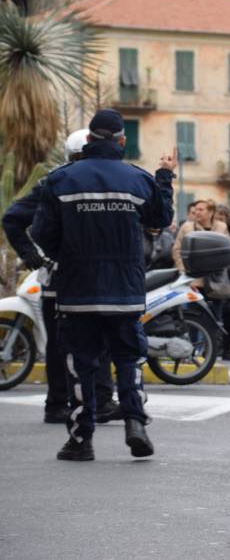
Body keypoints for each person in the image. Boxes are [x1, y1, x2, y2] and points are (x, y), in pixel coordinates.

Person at [30, 109, 175, 461]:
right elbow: (162, 218)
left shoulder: (61, 180)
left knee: (81, 364)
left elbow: (41, 234)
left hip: (77, 291)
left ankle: (81, 440)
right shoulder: (137, 180)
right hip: (124, 291)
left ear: (89, 138)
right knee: (129, 358)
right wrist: (165, 178)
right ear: (122, 140)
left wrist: (69, 256)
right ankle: (136, 424)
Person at [2, 129, 119, 425]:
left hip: (94, 277)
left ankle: (102, 400)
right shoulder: (54, 183)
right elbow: (14, 218)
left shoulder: (103, 183)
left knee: (99, 340)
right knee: (60, 345)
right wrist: (30, 254)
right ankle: (57, 403)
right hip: (61, 278)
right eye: (83, 157)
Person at [172, 198, 230, 350]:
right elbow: (177, 250)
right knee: (193, 317)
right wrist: (183, 271)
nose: (197, 212)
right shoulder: (187, 227)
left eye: (201, 209)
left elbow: (227, 249)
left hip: (215, 281)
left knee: (215, 318)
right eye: (196, 209)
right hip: (193, 281)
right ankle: (193, 349)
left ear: (210, 212)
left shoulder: (221, 227)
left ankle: (211, 350)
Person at [213, 204, 230, 360]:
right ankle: (216, 348)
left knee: (229, 315)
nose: (220, 221)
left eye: (223, 217)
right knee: (217, 315)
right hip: (217, 276)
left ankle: (226, 350)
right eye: (217, 218)